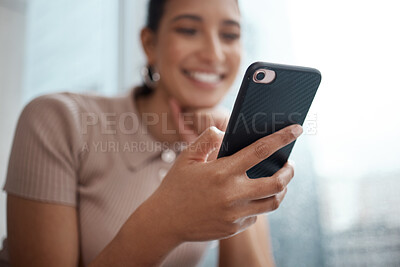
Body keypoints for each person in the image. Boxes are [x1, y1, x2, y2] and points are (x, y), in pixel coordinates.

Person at [0, 0, 302, 266]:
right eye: (188, 30)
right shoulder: (57, 119)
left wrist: (235, 157)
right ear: (149, 44)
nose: (213, 53)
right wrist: (165, 221)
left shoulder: (220, 137)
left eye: (230, 35)